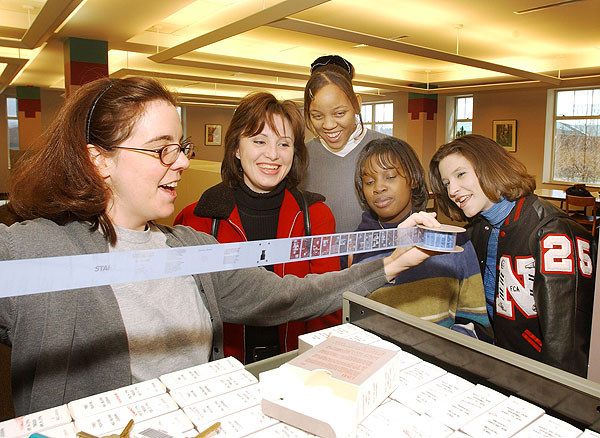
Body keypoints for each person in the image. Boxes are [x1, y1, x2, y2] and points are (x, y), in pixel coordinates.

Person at [0, 76, 438, 415]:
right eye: (161, 150)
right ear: (100, 160)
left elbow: (287, 295)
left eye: (182, 147)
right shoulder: (36, 250)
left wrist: (390, 263)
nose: (184, 161)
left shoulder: (191, 248)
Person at [174, 92, 341, 364]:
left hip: (297, 364)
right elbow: (188, 313)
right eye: (259, 141)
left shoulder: (315, 217)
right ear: (236, 148)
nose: (272, 154)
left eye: (284, 144)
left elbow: (327, 304)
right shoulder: (199, 220)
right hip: (223, 369)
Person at [429, 134, 595, 377]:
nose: (453, 190)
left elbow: (564, 347)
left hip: (532, 378)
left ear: (490, 167)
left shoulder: (554, 233)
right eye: (446, 183)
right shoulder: (477, 230)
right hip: (494, 366)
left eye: (461, 174)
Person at [351, 137, 491, 339]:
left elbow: (474, 321)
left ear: (414, 180)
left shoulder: (454, 241)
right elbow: (352, 316)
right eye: (369, 181)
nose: (378, 187)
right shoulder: (355, 244)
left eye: (390, 177)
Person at [301, 55, 388, 235]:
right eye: (317, 116)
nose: (329, 125)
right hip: (320, 260)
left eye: (339, 113)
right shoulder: (301, 158)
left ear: (357, 104)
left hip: (378, 259)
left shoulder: (388, 150)